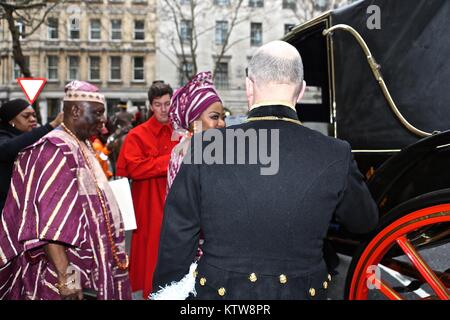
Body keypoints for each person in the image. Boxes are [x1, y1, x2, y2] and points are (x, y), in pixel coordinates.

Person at [152, 41, 379, 300]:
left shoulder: (206, 146)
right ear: (302, 90)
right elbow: (364, 221)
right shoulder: (335, 152)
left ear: (249, 86)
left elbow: (177, 239)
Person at [0, 80, 131, 300]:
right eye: (98, 113)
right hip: (65, 273)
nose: (103, 121)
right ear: (76, 110)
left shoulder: (81, 143)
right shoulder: (55, 149)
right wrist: (66, 276)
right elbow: (49, 225)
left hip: (88, 267)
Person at [116, 81, 178, 298]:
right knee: (151, 256)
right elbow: (134, 169)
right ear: (151, 105)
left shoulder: (181, 133)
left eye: (168, 104)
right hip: (148, 205)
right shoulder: (137, 135)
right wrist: (171, 159)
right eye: (158, 104)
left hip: (177, 205)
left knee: (176, 255)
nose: (164, 109)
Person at [167, 71, 226, 191]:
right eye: (214, 117)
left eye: (223, 117)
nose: (222, 123)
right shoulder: (184, 155)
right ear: (194, 122)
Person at [0, 99, 63, 212]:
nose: (32, 119)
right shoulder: (3, 137)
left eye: (34, 115)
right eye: (26, 116)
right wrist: (51, 125)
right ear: (11, 121)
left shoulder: (33, 138)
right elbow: (9, 148)